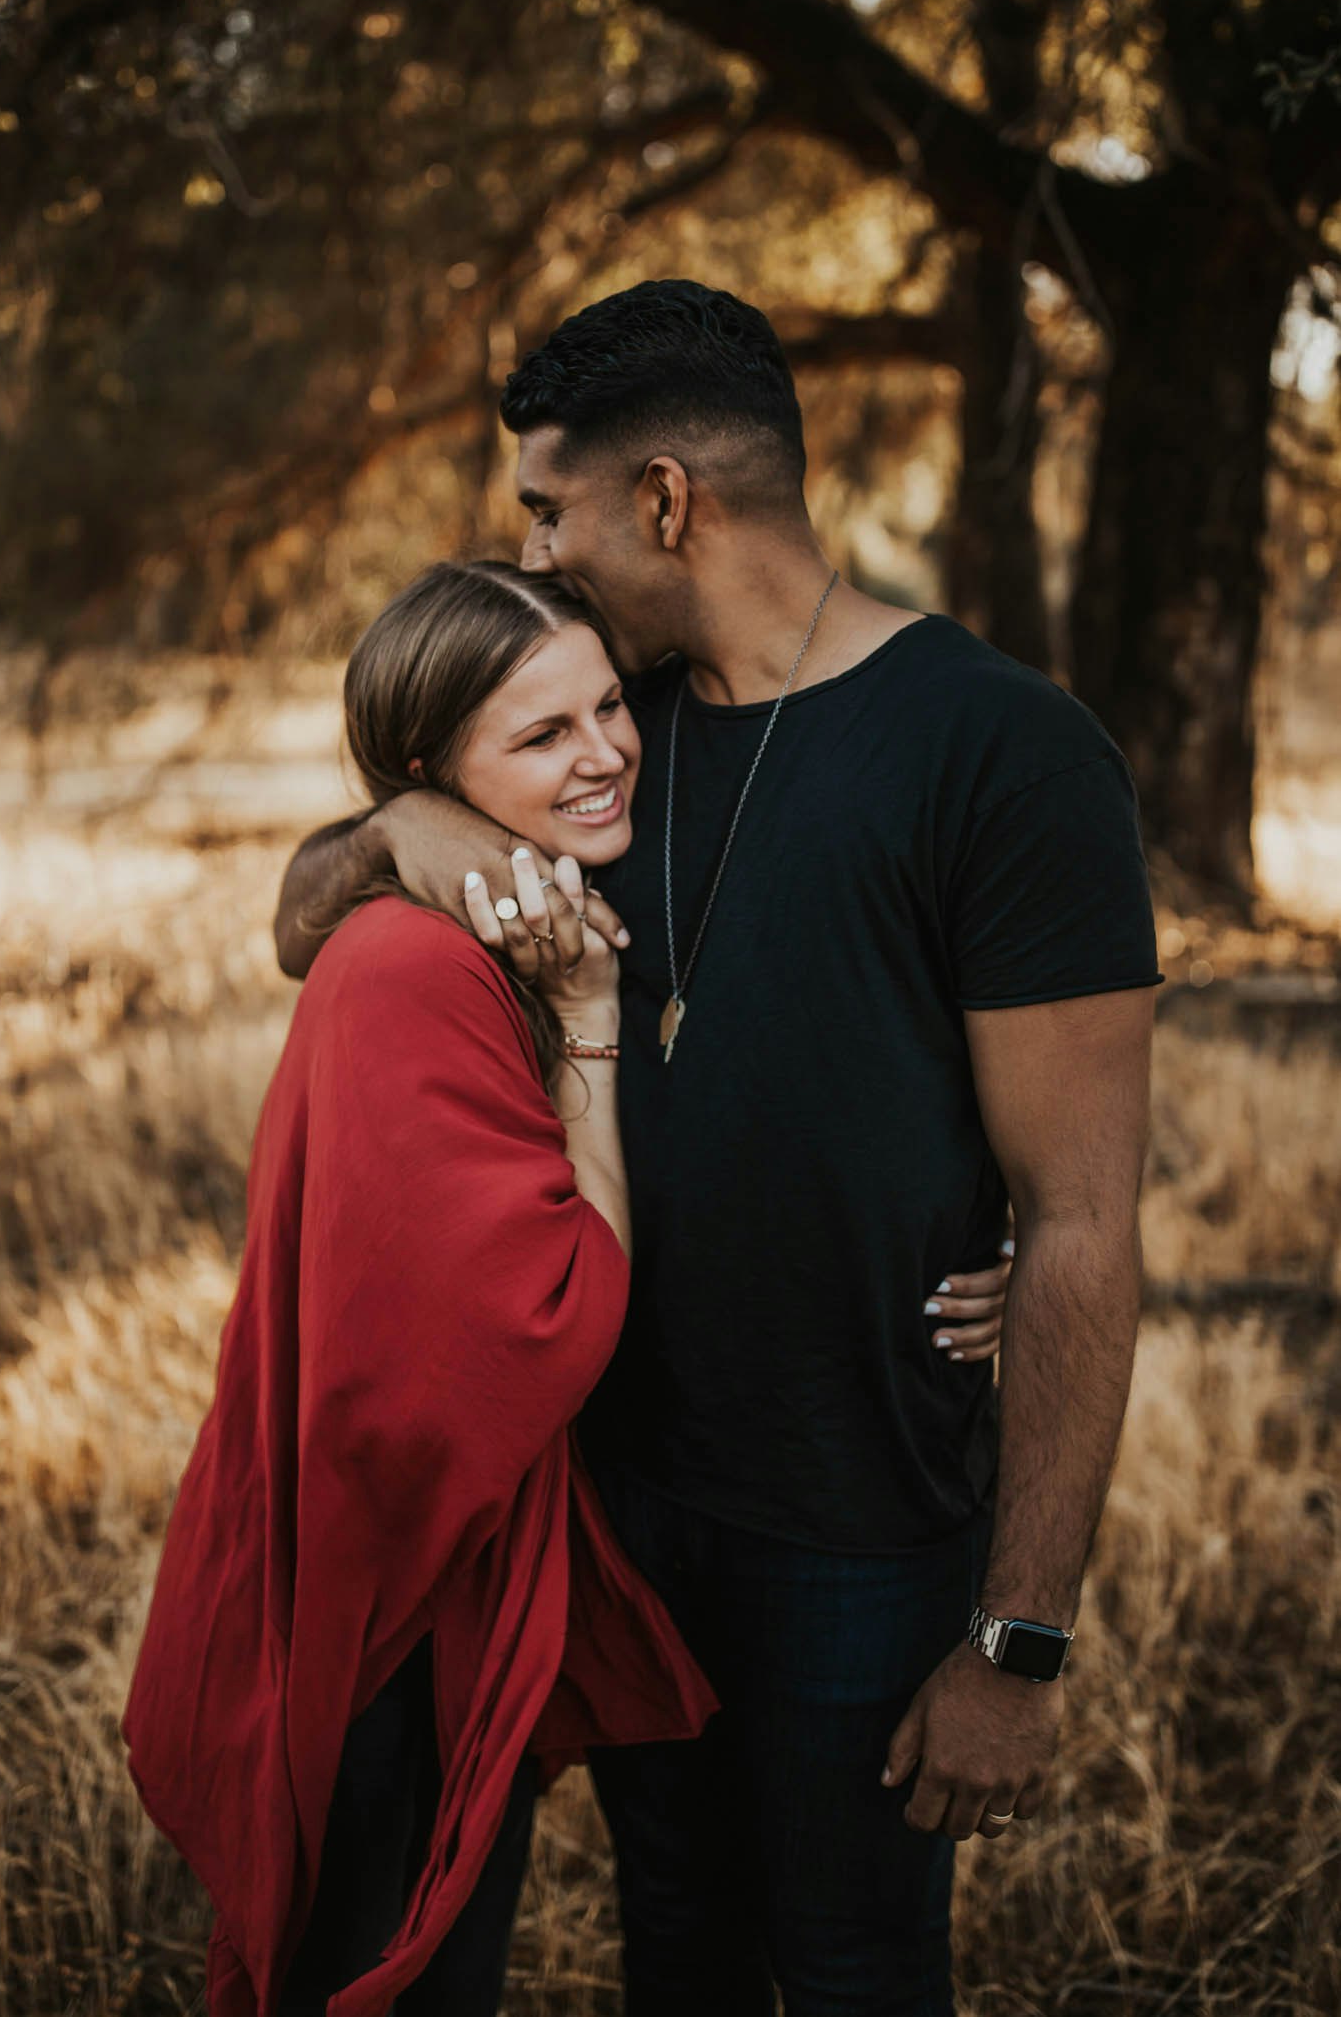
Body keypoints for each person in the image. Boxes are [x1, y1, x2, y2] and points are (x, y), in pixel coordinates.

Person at [274, 279, 1159, 2017]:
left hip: (862, 1527)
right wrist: (406, 826)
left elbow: (1080, 1218)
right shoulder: (609, 730)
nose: (535, 548)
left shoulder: (1005, 750)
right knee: (676, 1955)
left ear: (667, 498)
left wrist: (1021, 1641)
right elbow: (306, 916)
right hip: (621, 1513)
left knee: (856, 1970)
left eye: (552, 509)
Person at [121, 561, 736, 2017]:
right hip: (391, 1614)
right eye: (543, 734)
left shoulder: (483, 920)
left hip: (417, 1573)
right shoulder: (421, 969)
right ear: (430, 774)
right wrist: (588, 1023)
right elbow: (559, 1318)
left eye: (609, 707)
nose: (604, 752)